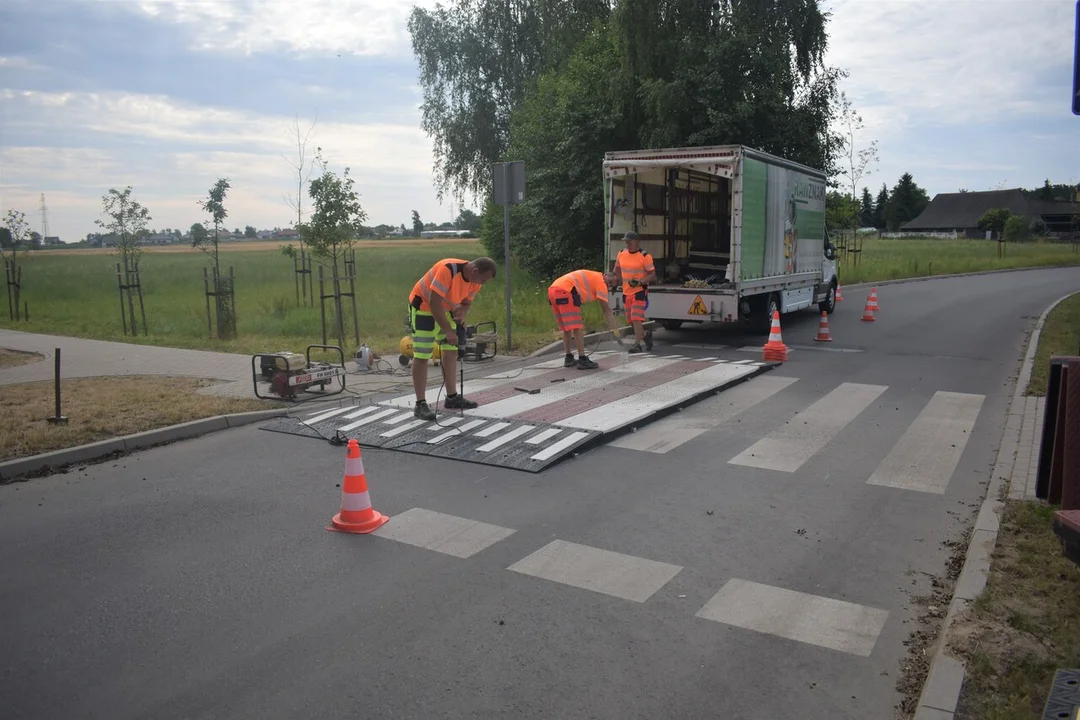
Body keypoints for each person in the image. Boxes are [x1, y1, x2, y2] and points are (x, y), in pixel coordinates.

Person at [408, 257, 497, 420]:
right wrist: (448, 331)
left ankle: (452, 397)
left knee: (451, 351)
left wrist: (461, 315)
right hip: (424, 308)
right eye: (483, 280)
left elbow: (466, 303)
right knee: (422, 355)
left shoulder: (474, 281)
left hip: (446, 310)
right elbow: (434, 302)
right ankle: (420, 404)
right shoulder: (447, 270)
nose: (482, 284)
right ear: (475, 271)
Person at [547, 268, 625, 370]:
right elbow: (606, 310)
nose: (608, 285)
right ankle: (582, 359)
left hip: (553, 291)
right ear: (605, 275)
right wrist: (616, 331)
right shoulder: (601, 281)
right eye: (609, 282)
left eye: (611, 285)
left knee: (566, 328)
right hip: (566, 292)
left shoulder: (594, 275)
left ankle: (569, 357)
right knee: (577, 327)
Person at [614, 231, 656, 353]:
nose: (627, 243)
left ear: (636, 241)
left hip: (639, 292)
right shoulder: (621, 254)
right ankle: (645, 335)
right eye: (626, 241)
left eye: (629, 241)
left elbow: (652, 275)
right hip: (626, 292)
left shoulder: (644, 256)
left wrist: (641, 282)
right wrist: (620, 282)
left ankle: (637, 344)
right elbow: (616, 268)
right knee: (631, 320)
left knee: (636, 318)